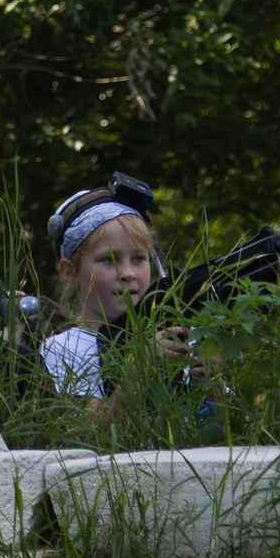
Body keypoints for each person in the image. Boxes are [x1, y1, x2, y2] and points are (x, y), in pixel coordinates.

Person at [39, 174, 191, 407]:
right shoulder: (64, 348)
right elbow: (88, 436)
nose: (128, 273)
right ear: (70, 272)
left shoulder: (175, 337)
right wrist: (141, 370)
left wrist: (212, 378)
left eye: (139, 258)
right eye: (110, 260)